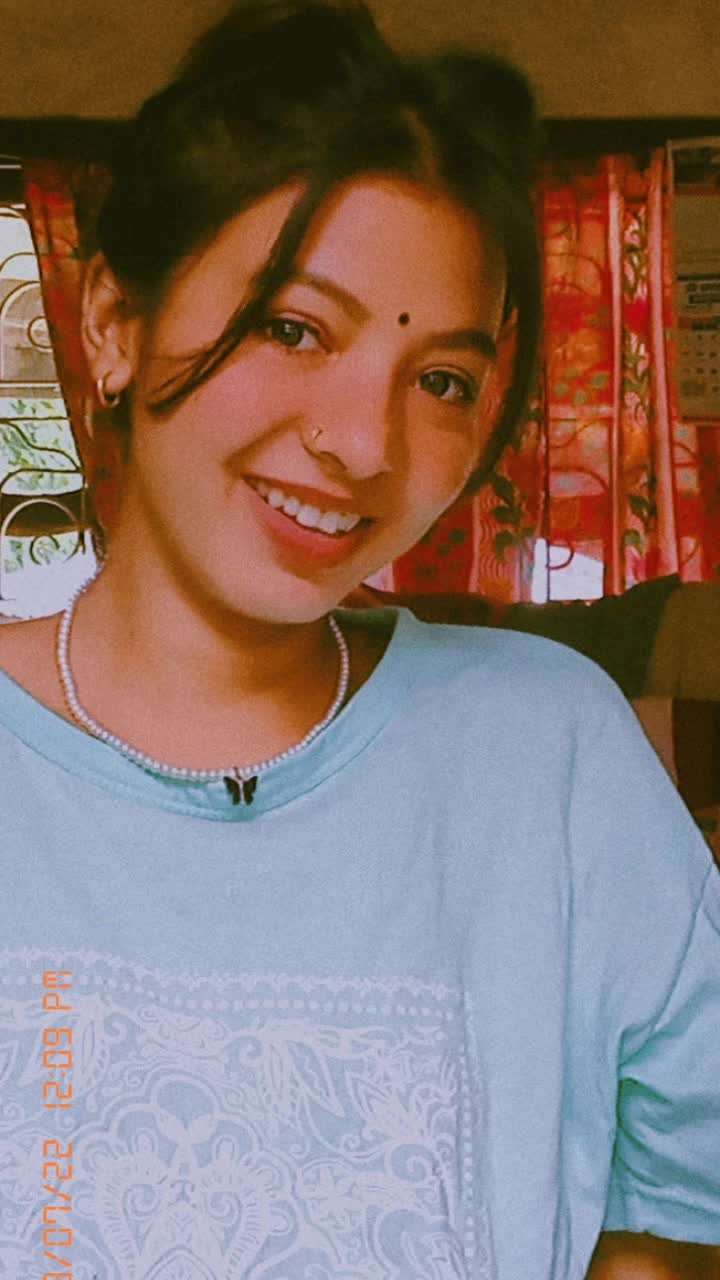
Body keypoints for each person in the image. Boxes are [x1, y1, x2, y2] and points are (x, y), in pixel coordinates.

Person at [1, 3, 718, 1277]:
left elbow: (686, 1179)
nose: (364, 443)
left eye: (441, 380)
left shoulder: (548, 751)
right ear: (113, 322)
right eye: (293, 327)